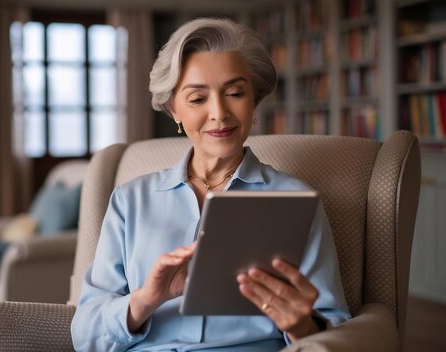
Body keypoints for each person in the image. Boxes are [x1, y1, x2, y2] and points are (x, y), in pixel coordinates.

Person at [71, 18, 350, 351]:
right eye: (197, 99)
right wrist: (146, 299)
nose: (219, 113)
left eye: (234, 93)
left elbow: (336, 327)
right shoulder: (130, 200)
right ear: (174, 108)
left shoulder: (296, 199)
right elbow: (85, 334)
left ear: (254, 101)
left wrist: (302, 324)